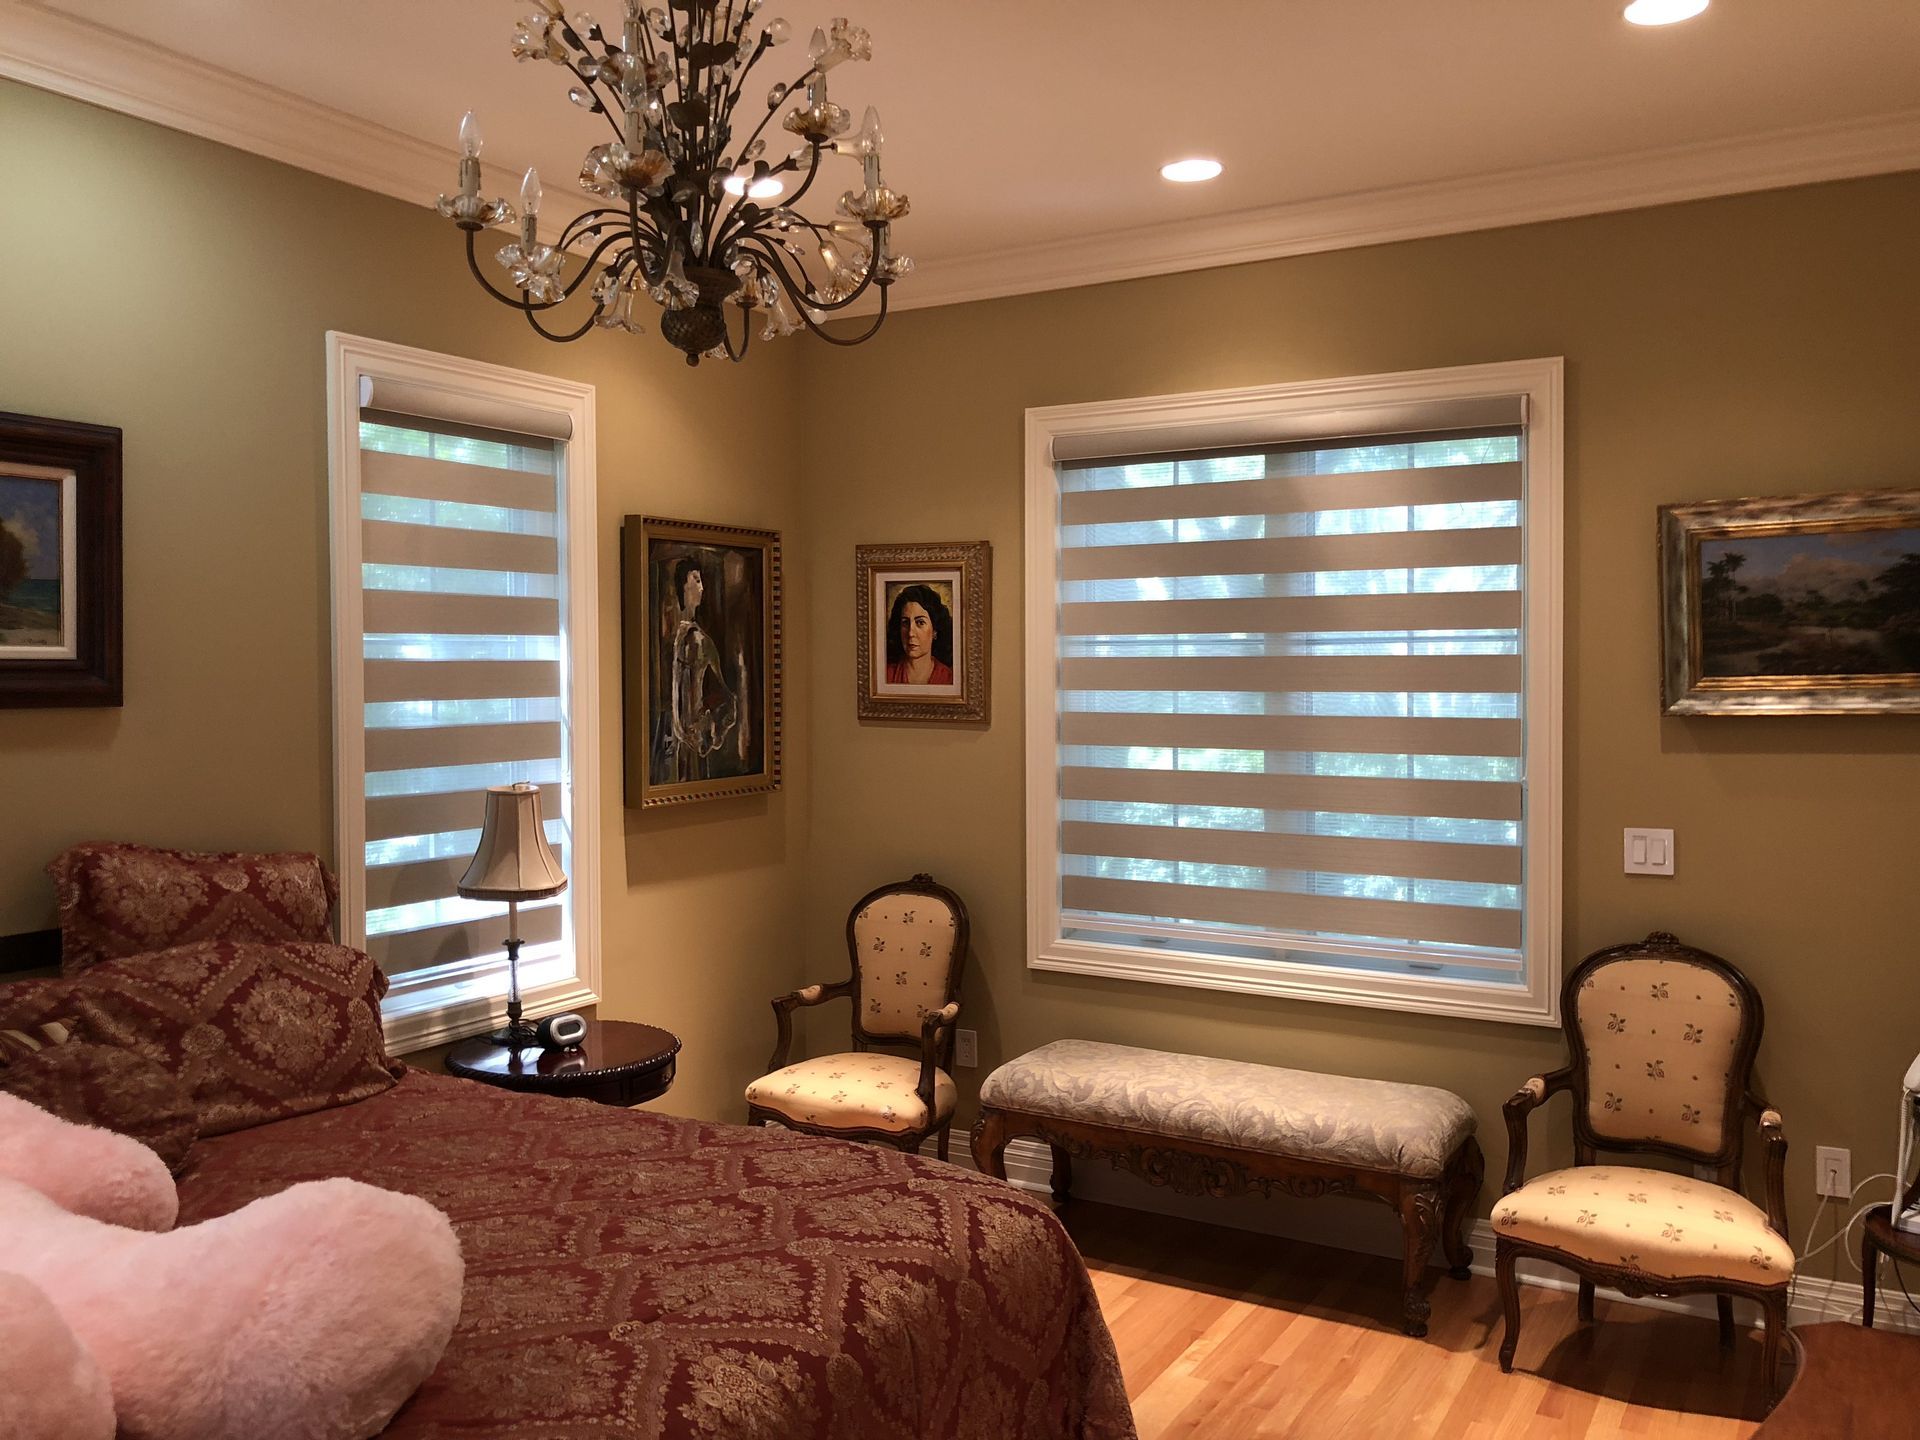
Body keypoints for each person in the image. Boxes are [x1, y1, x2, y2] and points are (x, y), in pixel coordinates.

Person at [666, 558, 736, 780]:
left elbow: (724, 697)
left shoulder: (699, 639)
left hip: (694, 743)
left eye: (701, 580)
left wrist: (708, 726)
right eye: (696, 580)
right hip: (681, 744)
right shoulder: (683, 637)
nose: (702, 587)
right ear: (683, 586)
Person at [884, 582, 954, 685]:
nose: (910, 633)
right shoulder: (886, 675)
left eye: (920, 622)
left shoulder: (949, 679)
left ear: (935, 631)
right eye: (905, 622)